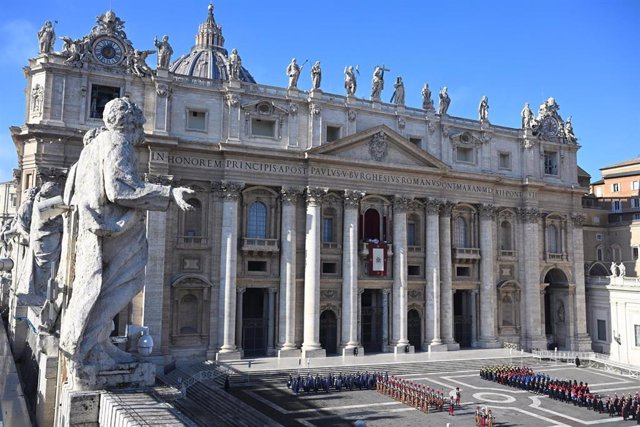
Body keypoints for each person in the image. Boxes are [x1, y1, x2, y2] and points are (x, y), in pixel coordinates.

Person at [59, 97, 194, 387]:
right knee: (122, 285)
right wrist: (169, 194)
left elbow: (71, 193)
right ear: (129, 122)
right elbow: (119, 189)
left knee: (98, 289)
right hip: (113, 230)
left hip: (96, 230)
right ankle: (88, 348)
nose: (143, 129)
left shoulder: (92, 147)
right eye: (140, 122)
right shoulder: (118, 142)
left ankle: (96, 343)